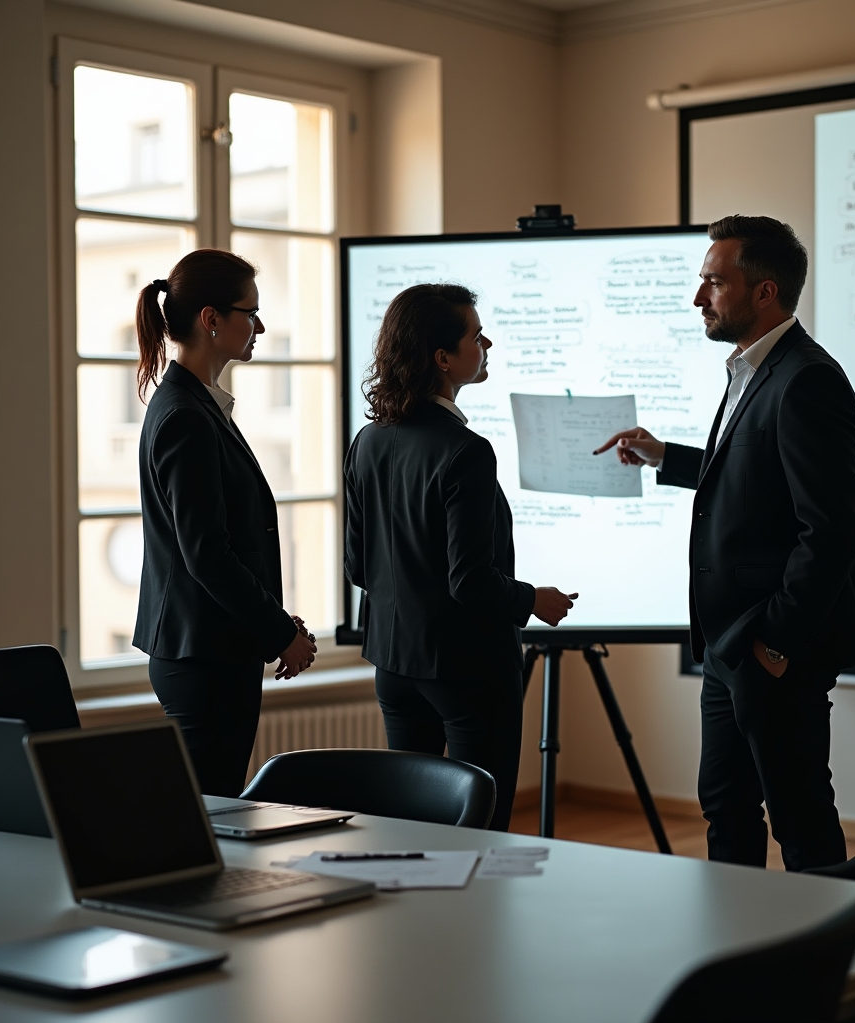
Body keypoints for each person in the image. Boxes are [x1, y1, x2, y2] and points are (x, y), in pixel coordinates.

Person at [596, 216, 855, 871]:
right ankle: (733, 932)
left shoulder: (808, 378)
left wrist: (775, 642)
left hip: (770, 646)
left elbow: (830, 530)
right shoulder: (751, 369)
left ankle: (831, 936)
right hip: (729, 642)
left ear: (764, 292)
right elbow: (755, 478)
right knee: (725, 808)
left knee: (799, 818)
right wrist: (666, 456)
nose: (699, 297)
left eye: (714, 283)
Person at [344, 283, 577, 831]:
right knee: (482, 833)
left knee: (410, 828)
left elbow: (358, 567)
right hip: (467, 672)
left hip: (394, 665)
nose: (487, 343)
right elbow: (470, 581)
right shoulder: (466, 450)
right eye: (477, 335)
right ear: (443, 358)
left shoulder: (368, 440)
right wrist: (532, 600)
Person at [133, 249, 317, 797]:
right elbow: (207, 554)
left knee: (213, 810)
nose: (260, 326)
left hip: (210, 649)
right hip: (202, 658)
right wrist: (279, 633)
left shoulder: (196, 406)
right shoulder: (185, 416)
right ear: (211, 319)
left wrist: (274, 623)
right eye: (250, 313)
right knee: (209, 816)